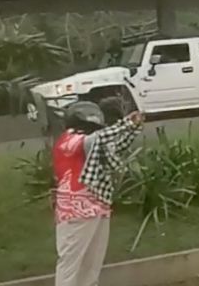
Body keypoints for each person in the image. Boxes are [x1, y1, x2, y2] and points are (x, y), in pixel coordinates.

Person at [52, 101, 144, 286]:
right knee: (71, 263)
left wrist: (132, 128)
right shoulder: (70, 140)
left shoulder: (89, 141)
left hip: (98, 205)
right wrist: (126, 123)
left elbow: (114, 146)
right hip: (76, 209)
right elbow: (101, 138)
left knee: (92, 263)